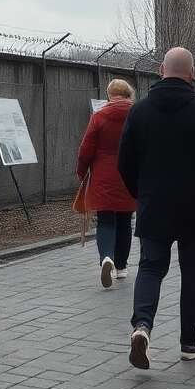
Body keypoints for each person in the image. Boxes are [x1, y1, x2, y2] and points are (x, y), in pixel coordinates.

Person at [120, 47, 195, 368]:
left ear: (160, 70)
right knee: (194, 274)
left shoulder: (139, 112)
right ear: (192, 73)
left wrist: (140, 194)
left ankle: (142, 326)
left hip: (154, 205)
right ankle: (189, 340)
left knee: (151, 267)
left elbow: (125, 162)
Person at [76, 79, 137, 288]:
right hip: (129, 175)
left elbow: (85, 149)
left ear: (109, 95)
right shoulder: (137, 115)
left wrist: (81, 172)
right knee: (125, 221)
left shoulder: (99, 116)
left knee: (105, 221)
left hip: (103, 176)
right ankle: (121, 267)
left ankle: (106, 258)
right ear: (129, 94)